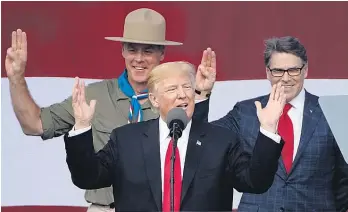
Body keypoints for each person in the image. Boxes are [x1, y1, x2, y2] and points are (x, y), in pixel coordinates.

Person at [4, 8, 215, 212]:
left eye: (148, 50)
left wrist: (200, 96)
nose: (139, 58)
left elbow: (198, 151)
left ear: (162, 53)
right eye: (132, 49)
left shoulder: (175, 98)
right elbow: (34, 124)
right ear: (122, 49)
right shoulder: (93, 96)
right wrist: (16, 78)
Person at [64, 61, 287, 211]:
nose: (182, 95)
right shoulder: (125, 140)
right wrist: (83, 125)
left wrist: (267, 129)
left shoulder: (221, 141)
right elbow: (87, 177)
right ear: (154, 100)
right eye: (172, 89)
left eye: (187, 88)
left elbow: (255, 182)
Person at [197, 36, 348, 211]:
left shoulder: (331, 112)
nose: (285, 78)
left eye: (293, 70)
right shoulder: (246, 112)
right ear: (268, 73)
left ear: (305, 70)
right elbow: (204, 138)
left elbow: (344, 180)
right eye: (278, 71)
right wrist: (202, 94)